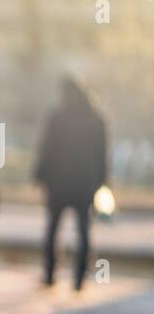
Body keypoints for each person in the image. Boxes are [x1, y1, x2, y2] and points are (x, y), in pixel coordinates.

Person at [33, 74, 109, 291]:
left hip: (58, 183)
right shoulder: (96, 118)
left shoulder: (57, 117)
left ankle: (49, 274)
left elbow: (46, 149)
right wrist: (101, 181)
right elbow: (102, 154)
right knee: (84, 231)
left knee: (52, 229)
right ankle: (79, 278)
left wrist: (40, 176)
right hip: (85, 184)